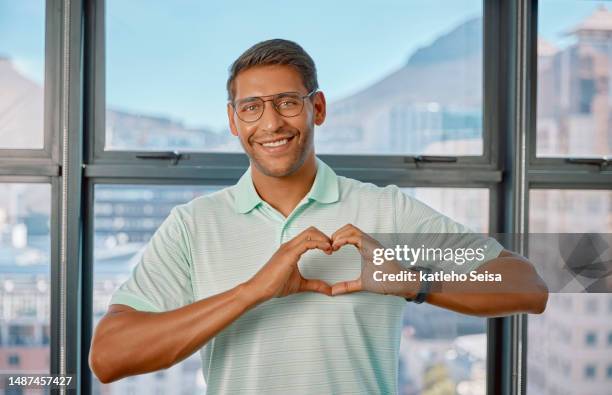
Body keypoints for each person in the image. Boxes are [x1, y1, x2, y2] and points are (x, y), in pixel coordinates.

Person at [89, 39, 548, 394]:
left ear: (318, 108)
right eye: (252, 108)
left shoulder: (385, 210)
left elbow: (527, 286)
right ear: (234, 121)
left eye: (287, 102)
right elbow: (108, 356)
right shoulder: (194, 226)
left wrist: (413, 282)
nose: (271, 124)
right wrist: (252, 292)